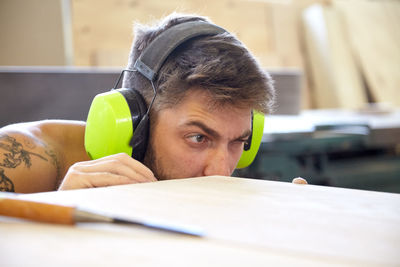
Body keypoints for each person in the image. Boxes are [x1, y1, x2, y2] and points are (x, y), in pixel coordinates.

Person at [0, 13, 305, 193]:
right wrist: (55, 214)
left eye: (238, 141)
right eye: (198, 138)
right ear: (137, 125)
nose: (221, 171)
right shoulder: (25, 156)